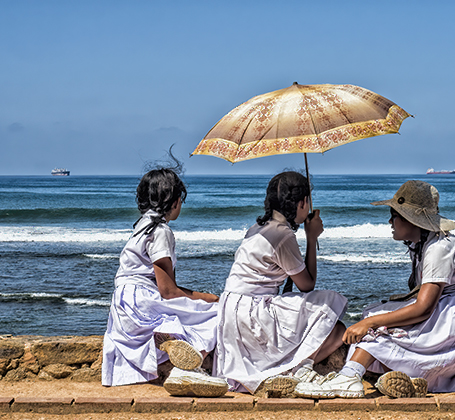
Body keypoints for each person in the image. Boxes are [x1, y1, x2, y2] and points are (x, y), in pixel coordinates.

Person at [296, 180, 455, 399]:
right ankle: (396, 376)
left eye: (394, 216)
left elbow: (424, 308)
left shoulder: (439, 247)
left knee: (379, 322)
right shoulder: (424, 245)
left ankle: (349, 377)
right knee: (376, 315)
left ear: (411, 220)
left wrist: (370, 323)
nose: (390, 222)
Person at [213, 171, 348, 395]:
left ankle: (289, 368)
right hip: (253, 313)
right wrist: (312, 238)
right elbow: (307, 285)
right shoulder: (283, 235)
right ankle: (297, 369)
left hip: (232, 310)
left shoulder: (257, 229)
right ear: (302, 202)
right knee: (332, 317)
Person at [102, 165, 228, 397]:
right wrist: (206, 297)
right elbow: (168, 291)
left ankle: (174, 342)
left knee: (192, 310)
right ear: (175, 201)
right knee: (218, 312)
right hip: (143, 302)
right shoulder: (160, 231)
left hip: (124, 309)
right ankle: (189, 363)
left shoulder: (140, 226)